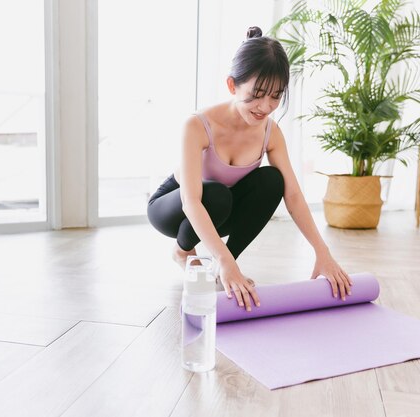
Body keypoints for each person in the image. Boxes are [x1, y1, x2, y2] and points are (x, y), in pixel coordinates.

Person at [147, 26, 352, 312]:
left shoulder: (271, 132)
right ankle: (183, 252)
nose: (265, 106)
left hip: (222, 208)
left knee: (272, 180)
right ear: (232, 86)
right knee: (216, 195)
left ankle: (227, 265)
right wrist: (222, 260)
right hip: (174, 207)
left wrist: (322, 251)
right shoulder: (197, 125)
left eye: (275, 96)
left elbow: (292, 195)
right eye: (256, 94)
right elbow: (191, 201)